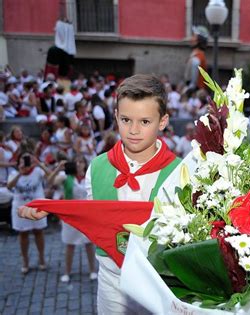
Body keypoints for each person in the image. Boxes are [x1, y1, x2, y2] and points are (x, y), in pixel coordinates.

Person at [19, 74, 181, 314]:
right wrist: (50, 208)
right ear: (115, 116)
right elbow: (94, 216)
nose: (133, 130)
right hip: (111, 280)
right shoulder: (97, 167)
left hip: (162, 283)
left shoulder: (181, 171)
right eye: (126, 119)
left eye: (145, 122)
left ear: (163, 121)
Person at [48, 156, 97, 283]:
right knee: (70, 244)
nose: (79, 164)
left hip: (87, 215)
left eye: (81, 162)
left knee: (89, 243)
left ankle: (92, 270)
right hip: (70, 215)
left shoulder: (90, 177)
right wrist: (58, 168)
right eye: (77, 162)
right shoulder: (66, 177)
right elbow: (50, 181)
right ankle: (67, 272)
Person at [7, 152, 52, 274]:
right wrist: (19, 174)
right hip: (21, 208)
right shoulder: (14, 173)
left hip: (37, 207)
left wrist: (39, 164)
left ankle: (41, 258)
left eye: (28, 159)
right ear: (18, 162)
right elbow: (9, 186)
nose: (26, 162)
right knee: (23, 234)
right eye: (23, 159)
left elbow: (50, 177)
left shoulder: (37, 171)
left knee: (39, 232)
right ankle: (25, 261)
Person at [184, 26, 208, 90]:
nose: (191, 39)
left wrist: (191, 87)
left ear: (199, 40)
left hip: (195, 91)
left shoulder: (199, 55)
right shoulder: (196, 54)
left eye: (194, 36)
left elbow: (195, 64)